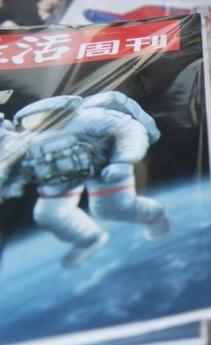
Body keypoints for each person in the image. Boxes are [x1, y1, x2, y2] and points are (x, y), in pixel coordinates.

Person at [0, 91, 170, 267]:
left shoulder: (87, 119)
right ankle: (89, 240)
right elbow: (19, 164)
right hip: (58, 178)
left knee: (110, 209)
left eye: (41, 117)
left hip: (102, 169)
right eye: (29, 120)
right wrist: (12, 186)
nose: (37, 122)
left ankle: (154, 215)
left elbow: (129, 130)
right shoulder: (28, 139)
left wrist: (123, 161)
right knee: (48, 214)